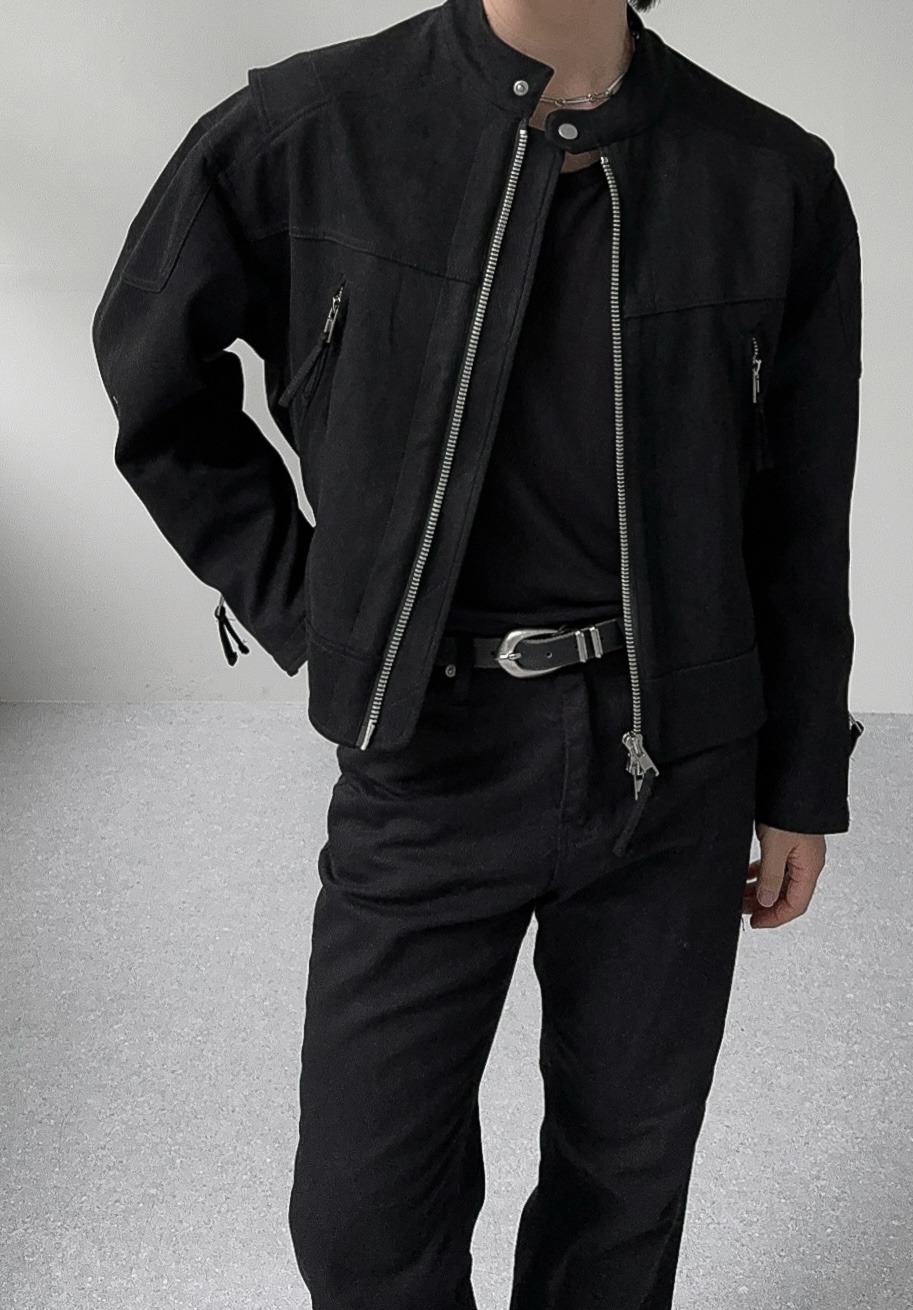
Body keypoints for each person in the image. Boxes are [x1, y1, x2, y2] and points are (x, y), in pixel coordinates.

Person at [91, 0, 864, 1305]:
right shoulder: (314, 127)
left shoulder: (769, 174)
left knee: (625, 1181)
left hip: (675, 757)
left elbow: (801, 511)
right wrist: (310, 607)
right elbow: (155, 372)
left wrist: (800, 777)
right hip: (429, 743)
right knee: (360, 1214)